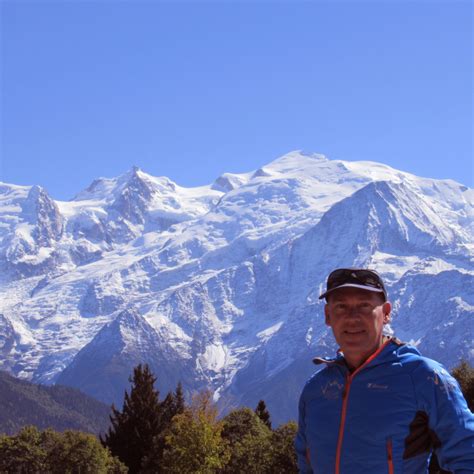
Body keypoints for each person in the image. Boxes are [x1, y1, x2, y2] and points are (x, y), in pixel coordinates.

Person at [295, 268, 474, 474]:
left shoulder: (423, 377)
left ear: (386, 313)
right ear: (328, 315)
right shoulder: (316, 388)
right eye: (341, 306)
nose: (352, 317)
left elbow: (467, 455)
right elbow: (305, 465)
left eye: (364, 305)